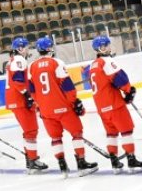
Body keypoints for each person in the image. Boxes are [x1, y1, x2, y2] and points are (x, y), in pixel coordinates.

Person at [28, 36, 97, 178]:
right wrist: (75, 102)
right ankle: (81, 163)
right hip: (63, 108)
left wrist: (40, 104)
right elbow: (68, 87)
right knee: (76, 133)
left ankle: (62, 166)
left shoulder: (31, 66)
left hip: (46, 110)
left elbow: (32, 91)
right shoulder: (56, 63)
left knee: (55, 138)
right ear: (50, 49)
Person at [89, 36, 142, 174]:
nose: (109, 48)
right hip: (114, 104)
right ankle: (131, 160)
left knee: (111, 134)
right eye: (107, 46)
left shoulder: (93, 64)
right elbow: (119, 78)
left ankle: (114, 162)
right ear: (101, 47)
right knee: (126, 131)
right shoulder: (107, 61)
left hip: (101, 107)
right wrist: (129, 91)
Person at [5, 36, 48, 173]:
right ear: (20, 48)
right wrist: (27, 95)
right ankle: (33, 160)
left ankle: (30, 159)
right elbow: (18, 81)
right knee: (31, 130)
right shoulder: (19, 60)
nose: (28, 49)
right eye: (26, 47)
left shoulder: (14, 60)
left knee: (28, 131)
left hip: (15, 100)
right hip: (19, 100)